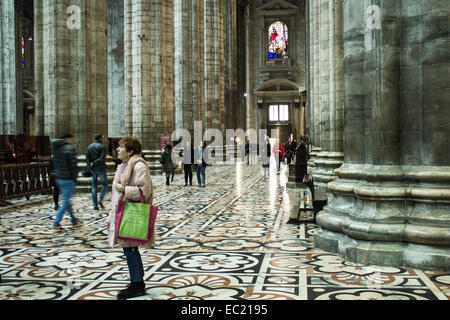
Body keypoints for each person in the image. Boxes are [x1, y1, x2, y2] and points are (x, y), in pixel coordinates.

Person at [106, 137, 154, 300]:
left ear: (131, 151)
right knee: (129, 249)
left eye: (121, 147)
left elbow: (144, 192)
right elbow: (115, 195)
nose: (117, 150)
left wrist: (123, 188)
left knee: (131, 249)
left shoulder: (139, 166)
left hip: (131, 212)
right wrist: (110, 215)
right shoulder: (122, 166)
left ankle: (136, 283)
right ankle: (137, 282)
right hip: (122, 211)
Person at [51, 133, 80, 230]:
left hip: (59, 178)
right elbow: (73, 165)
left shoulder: (55, 148)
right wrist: (74, 178)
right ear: (67, 139)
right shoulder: (69, 148)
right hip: (68, 178)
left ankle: (73, 220)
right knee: (66, 201)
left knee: (67, 201)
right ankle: (56, 222)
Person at [86, 134, 108, 210]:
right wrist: (94, 163)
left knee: (94, 186)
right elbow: (101, 159)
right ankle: (100, 199)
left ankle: (95, 205)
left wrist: (90, 166)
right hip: (101, 168)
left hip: (93, 169)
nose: (103, 139)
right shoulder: (102, 146)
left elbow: (87, 159)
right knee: (105, 185)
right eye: (102, 137)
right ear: (100, 138)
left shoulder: (89, 147)